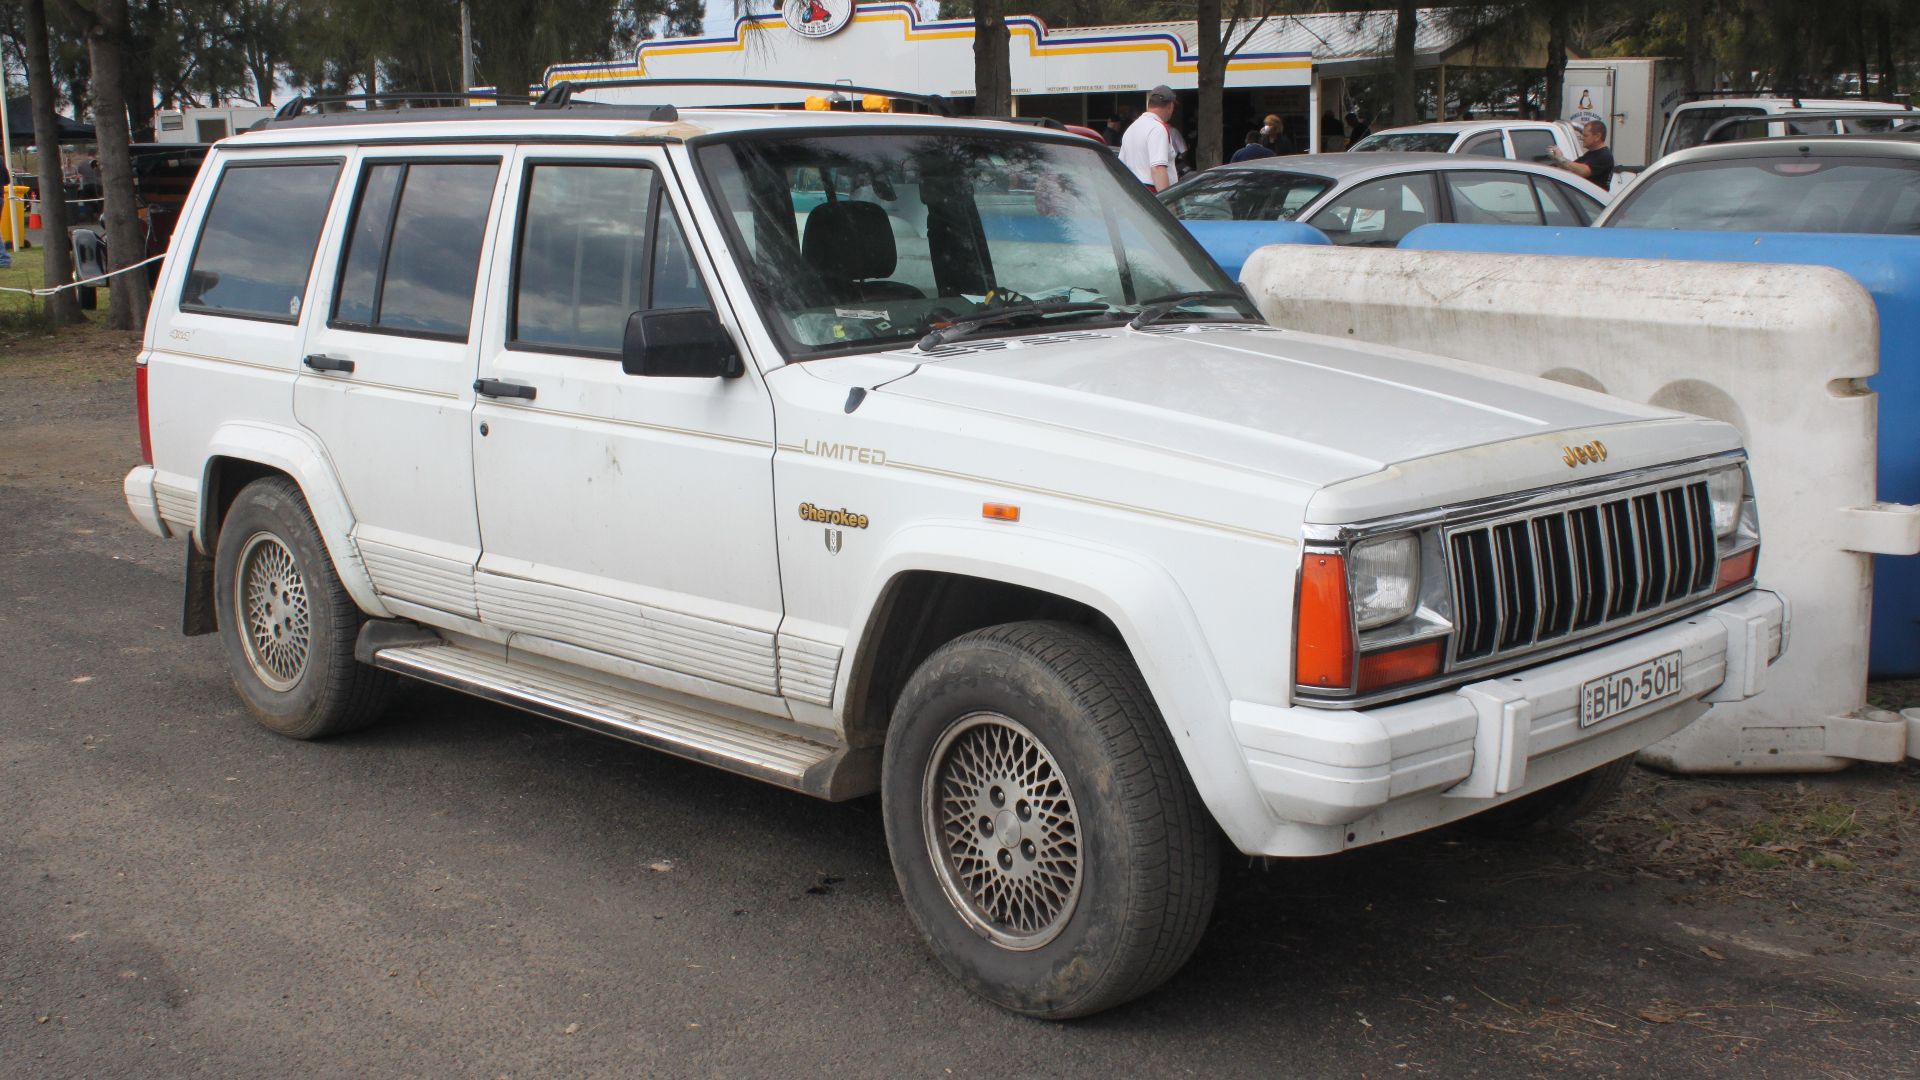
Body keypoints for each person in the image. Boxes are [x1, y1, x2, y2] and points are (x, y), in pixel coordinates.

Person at [1118, 85, 1180, 191]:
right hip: (1152, 194)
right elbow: (1158, 168)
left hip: (1133, 192)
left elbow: (1120, 167)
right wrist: (1166, 202)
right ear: (1170, 106)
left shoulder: (1131, 129)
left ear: (1149, 104)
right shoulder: (1157, 128)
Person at [1551, 120, 1615, 189]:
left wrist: (1561, 158)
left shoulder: (1604, 156)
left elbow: (1583, 171)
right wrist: (1556, 159)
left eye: (1585, 135)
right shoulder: (1590, 154)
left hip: (1593, 198)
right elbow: (1570, 168)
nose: (1582, 138)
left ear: (1597, 137)